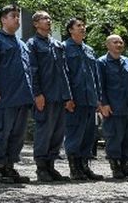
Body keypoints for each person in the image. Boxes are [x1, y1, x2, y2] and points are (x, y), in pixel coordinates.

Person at [0, 4, 34, 184]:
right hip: (3, 97)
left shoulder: (21, 44)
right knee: (1, 133)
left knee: (17, 136)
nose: (17, 19)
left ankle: (10, 167)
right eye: (13, 16)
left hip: (22, 97)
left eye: (18, 16)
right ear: (3, 19)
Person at [26, 11, 73, 182]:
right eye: (44, 19)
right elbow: (32, 71)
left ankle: (51, 165)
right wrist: (37, 94)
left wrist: (68, 96)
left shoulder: (57, 45)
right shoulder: (32, 44)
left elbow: (64, 72)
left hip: (59, 95)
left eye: (49, 19)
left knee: (57, 132)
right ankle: (41, 168)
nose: (48, 21)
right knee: (44, 132)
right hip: (44, 95)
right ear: (36, 24)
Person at [63, 18, 104, 181]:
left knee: (89, 134)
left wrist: (98, 98)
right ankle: (74, 168)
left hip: (89, 99)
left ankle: (84, 166)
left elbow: (95, 76)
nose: (82, 28)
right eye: (78, 26)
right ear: (70, 30)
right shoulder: (64, 48)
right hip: (75, 98)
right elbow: (64, 74)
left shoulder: (89, 50)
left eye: (83, 26)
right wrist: (67, 97)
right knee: (74, 133)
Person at [98, 35, 128, 179]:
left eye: (121, 42)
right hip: (113, 107)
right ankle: (115, 167)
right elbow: (100, 86)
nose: (119, 44)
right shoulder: (101, 63)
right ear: (107, 45)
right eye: (115, 42)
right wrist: (103, 104)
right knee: (114, 137)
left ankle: (125, 166)